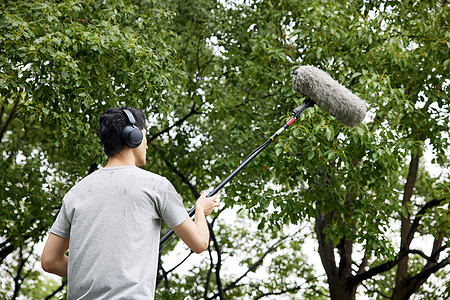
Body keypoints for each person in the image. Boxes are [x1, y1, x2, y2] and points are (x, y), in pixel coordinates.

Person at [41, 106, 219, 299]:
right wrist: (200, 210)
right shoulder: (157, 186)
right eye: (145, 136)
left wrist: (96, 277)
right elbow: (200, 243)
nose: (147, 145)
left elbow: (50, 261)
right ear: (133, 136)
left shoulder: (76, 192)